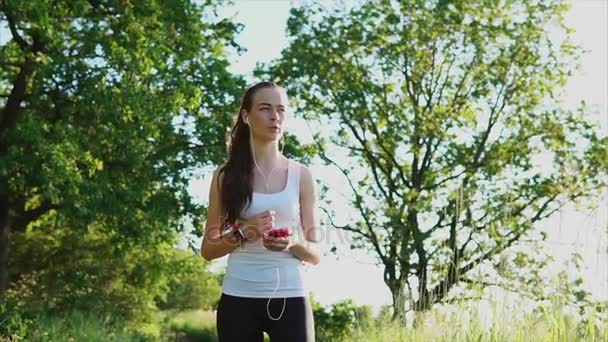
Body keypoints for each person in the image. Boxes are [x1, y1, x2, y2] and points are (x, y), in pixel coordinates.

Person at [201, 81, 321, 342]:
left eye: (281, 110)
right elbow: (208, 250)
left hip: (291, 297)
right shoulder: (225, 177)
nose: (275, 116)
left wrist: (291, 242)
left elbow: (315, 254)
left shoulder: (302, 176)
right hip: (238, 297)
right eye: (265, 108)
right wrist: (243, 232)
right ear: (246, 116)